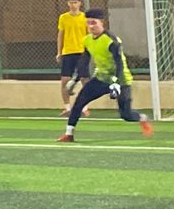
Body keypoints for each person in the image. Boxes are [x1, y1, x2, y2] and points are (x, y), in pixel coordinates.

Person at [58, 10, 154, 142]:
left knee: (126, 115)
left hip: (121, 80)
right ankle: (69, 134)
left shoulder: (111, 40)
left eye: (94, 23)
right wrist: (74, 79)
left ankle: (142, 118)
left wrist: (115, 82)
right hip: (101, 78)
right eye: (88, 23)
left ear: (102, 23)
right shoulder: (87, 40)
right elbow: (84, 61)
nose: (91, 26)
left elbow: (119, 63)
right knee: (79, 102)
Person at [56, 0, 89, 114]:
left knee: (84, 80)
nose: (73, 5)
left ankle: (84, 107)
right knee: (65, 80)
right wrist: (59, 52)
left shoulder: (85, 18)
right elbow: (61, 35)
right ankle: (67, 107)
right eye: (71, 3)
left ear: (80, 3)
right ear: (67, 3)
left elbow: (89, 36)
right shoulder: (63, 18)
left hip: (82, 52)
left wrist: (90, 51)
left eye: (75, 2)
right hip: (68, 52)